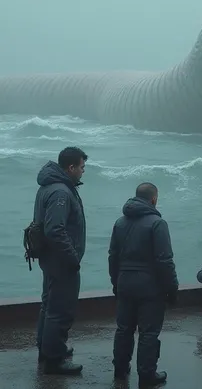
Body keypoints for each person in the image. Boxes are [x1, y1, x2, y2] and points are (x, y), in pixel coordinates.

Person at [108, 182, 179, 388]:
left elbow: (113, 256)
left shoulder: (120, 222)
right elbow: (164, 261)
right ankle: (147, 375)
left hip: (125, 283)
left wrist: (116, 282)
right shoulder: (157, 223)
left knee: (123, 329)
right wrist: (172, 289)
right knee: (148, 332)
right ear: (154, 199)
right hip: (150, 288)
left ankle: (120, 369)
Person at [33, 146, 87, 375]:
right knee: (60, 310)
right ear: (71, 167)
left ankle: (47, 350)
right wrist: (72, 258)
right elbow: (55, 229)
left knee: (49, 304)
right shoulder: (61, 193)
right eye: (82, 167)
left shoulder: (49, 187)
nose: (83, 172)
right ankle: (54, 360)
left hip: (50, 258)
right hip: (61, 261)